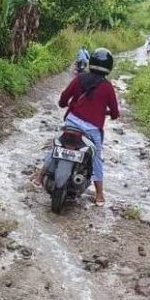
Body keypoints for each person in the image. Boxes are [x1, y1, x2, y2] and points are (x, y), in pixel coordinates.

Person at [35, 48, 120, 205]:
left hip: (71, 123)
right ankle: (99, 195)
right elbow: (115, 113)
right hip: (92, 130)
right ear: (109, 67)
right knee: (96, 158)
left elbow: (64, 98)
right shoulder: (108, 87)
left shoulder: (79, 78)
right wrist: (105, 112)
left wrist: (63, 104)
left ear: (91, 62)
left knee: (56, 147)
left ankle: (39, 177)